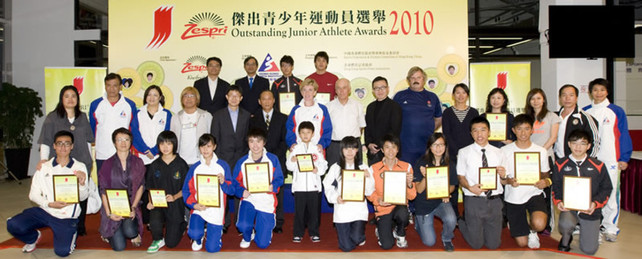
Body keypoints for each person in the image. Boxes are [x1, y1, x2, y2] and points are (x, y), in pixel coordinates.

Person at [7, 130, 89, 257]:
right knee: (13, 224)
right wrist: (49, 204)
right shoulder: (44, 167)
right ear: (54, 146)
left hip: (65, 216)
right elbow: (33, 195)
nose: (63, 147)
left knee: (62, 252)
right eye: (59, 143)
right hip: (45, 210)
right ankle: (32, 238)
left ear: (72, 146)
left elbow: (83, 197)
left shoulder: (79, 167)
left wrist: (82, 183)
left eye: (67, 144)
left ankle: (72, 231)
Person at [37, 85, 94, 236]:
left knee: (82, 192)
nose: (70, 99)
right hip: (61, 163)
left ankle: (80, 225)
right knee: (63, 193)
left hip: (82, 162)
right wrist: (43, 160)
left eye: (73, 96)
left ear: (78, 99)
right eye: (67, 96)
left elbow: (88, 141)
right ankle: (61, 223)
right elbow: (45, 141)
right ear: (61, 99)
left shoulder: (82, 117)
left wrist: (90, 161)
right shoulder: (52, 117)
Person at [582, 78, 632, 242]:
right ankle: (591, 225)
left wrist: (624, 157)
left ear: (607, 92)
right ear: (590, 92)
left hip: (610, 160)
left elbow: (623, 134)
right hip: (589, 161)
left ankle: (610, 227)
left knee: (610, 195)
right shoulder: (585, 111)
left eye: (602, 90)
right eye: (595, 90)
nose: (598, 93)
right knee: (589, 194)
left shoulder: (616, 111)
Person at [553, 129, 612, 255]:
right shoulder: (560, 164)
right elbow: (556, 187)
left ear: (589, 146)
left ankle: (588, 230)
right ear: (569, 144)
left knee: (589, 250)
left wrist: (595, 204)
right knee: (565, 224)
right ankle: (566, 237)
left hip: (590, 210)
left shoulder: (598, 165)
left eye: (583, 143)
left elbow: (607, 188)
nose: (578, 147)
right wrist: (558, 202)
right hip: (570, 209)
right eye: (574, 143)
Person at [456, 116, 508, 250]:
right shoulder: (464, 152)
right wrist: (469, 187)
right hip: (474, 200)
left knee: (493, 245)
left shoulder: (499, 152)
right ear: (471, 133)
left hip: (494, 201)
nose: (479, 134)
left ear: (489, 132)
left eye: (483, 130)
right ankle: (462, 221)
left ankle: (482, 226)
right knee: (476, 245)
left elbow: (504, 181)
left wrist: (503, 176)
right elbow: (460, 176)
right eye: (475, 131)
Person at [500, 114, 551, 249]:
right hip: (514, 196)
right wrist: (509, 181)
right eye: (519, 129)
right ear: (513, 130)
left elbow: (546, 174)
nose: (523, 133)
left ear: (532, 130)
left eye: (527, 129)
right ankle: (518, 225)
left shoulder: (541, 151)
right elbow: (501, 180)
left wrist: (545, 182)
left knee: (539, 224)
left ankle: (533, 231)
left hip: (534, 193)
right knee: (522, 243)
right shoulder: (504, 151)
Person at [232, 128, 285, 249]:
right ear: (248, 143)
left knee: (262, 244)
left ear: (264, 142)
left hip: (266, 201)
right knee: (243, 225)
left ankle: (264, 230)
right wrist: (241, 191)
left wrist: (273, 186)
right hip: (249, 199)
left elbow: (279, 179)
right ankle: (247, 235)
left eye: (258, 141)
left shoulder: (272, 159)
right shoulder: (242, 161)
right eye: (251, 141)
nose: (255, 145)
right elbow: (234, 183)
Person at [182, 134, 235, 253]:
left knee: (212, 249)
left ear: (214, 147)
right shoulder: (195, 167)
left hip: (216, 210)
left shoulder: (223, 166)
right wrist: (194, 205)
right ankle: (198, 239)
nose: (205, 150)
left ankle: (217, 233)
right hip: (199, 208)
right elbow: (186, 190)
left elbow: (232, 190)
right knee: (194, 233)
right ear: (199, 148)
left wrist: (223, 182)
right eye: (202, 146)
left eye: (208, 146)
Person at [323, 136, 375, 252]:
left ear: (357, 150)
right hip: (342, 210)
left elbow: (370, 191)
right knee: (346, 247)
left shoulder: (363, 167)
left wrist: (368, 177)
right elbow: (327, 185)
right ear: (342, 150)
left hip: (358, 210)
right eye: (347, 148)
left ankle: (359, 236)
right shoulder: (335, 168)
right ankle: (350, 236)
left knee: (356, 238)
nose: (350, 151)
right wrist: (336, 198)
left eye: (353, 148)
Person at [98, 128, 145, 251]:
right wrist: (109, 213)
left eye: (126, 139)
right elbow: (103, 190)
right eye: (119, 140)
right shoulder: (107, 164)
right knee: (119, 247)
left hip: (130, 206)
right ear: (114, 143)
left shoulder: (138, 162)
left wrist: (133, 207)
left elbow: (141, 186)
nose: (123, 143)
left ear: (131, 142)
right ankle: (110, 233)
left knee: (130, 232)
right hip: (113, 208)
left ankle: (131, 231)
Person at [211, 85, 251, 233]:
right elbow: (214, 137)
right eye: (231, 95)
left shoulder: (247, 115)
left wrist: (246, 157)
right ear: (227, 97)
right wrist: (218, 159)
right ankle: (224, 222)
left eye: (237, 95)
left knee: (240, 190)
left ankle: (240, 222)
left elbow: (248, 138)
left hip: (241, 158)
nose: (234, 98)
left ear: (241, 98)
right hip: (223, 158)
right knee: (224, 190)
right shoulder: (218, 115)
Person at [367, 134, 417, 249]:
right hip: (383, 209)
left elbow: (412, 196)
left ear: (398, 149)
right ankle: (381, 227)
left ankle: (400, 232)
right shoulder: (373, 168)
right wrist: (378, 200)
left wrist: (409, 184)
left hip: (400, 207)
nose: (390, 150)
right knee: (387, 245)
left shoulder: (406, 167)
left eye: (394, 147)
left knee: (403, 214)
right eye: (387, 147)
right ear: (382, 150)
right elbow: (369, 192)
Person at [249, 90, 288, 233]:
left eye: (269, 99)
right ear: (259, 101)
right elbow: (251, 140)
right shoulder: (253, 119)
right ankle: (258, 220)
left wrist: (272, 157)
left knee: (278, 192)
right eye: (263, 99)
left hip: (277, 160)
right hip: (258, 162)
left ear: (274, 101)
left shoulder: (283, 118)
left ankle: (278, 222)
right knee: (258, 192)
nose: (266, 101)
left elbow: (285, 141)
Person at [145, 131, 189, 253]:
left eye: (169, 144)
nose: (165, 147)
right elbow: (150, 187)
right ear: (158, 145)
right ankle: (158, 239)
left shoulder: (181, 164)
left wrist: (175, 197)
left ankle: (182, 224)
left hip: (175, 203)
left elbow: (187, 188)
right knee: (154, 221)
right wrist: (150, 201)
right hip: (158, 203)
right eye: (162, 143)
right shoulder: (154, 165)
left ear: (174, 145)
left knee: (171, 243)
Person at [412, 133, 458, 251]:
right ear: (430, 147)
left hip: (440, 202)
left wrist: (446, 192)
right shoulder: (421, 163)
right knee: (429, 242)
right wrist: (426, 176)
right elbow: (419, 189)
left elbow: (453, 185)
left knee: (451, 219)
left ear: (445, 147)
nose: (438, 148)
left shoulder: (450, 164)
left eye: (441, 145)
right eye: (435, 145)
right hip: (424, 204)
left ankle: (447, 238)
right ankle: (418, 221)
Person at [525, 88, 561, 233]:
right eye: (532, 98)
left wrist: (541, 152)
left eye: (538, 98)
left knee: (545, 190)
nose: (536, 101)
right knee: (529, 190)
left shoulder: (552, 116)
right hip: (528, 160)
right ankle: (531, 222)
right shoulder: (527, 117)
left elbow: (553, 138)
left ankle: (546, 225)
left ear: (544, 99)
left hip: (546, 157)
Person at [287, 121, 328, 243]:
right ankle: (298, 233)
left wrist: (318, 170)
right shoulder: (295, 149)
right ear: (299, 134)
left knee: (313, 212)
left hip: (313, 185)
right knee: (299, 212)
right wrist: (293, 161)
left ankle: (314, 232)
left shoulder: (316, 149)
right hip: (299, 186)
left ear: (313, 134)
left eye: (308, 133)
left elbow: (324, 165)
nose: (305, 135)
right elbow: (288, 166)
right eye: (303, 133)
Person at [441, 83, 478, 217]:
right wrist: (457, 153)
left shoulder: (474, 112)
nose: (461, 95)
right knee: (454, 185)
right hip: (452, 154)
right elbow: (447, 134)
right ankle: (454, 214)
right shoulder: (448, 112)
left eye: (464, 92)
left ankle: (469, 213)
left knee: (469, 183)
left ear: (467, 95)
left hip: (470, 155)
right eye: (457, 92)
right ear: (453, 95)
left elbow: (475, 133)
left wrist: (466, 153)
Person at [393, 66, 442, 165]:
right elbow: (392, 119)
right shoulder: (399, 96)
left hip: (427, 146)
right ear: (408, 80)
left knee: (425, 175)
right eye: (413, 78)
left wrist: (428, 128)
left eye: (418, 77)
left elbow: (438, 118)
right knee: (406, 176)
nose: (416, 80)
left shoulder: (432, 97)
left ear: (423, 80)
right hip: (405, 146)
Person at [89, 73, 137, 171]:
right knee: (103, 184)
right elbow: (92, 129)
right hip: (103, 153)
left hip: (124, 153)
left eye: (115, 85)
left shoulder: (129, 105)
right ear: (105, 86)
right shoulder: (96, 104)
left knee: (124, 184)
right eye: (108, 85)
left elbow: (133, 129)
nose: (111, 89)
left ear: (120, 87)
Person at [326, 78, 366, 166]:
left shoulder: (357, 105)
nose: (341, 91)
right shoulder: (328, 106)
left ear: (349, 90)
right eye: (338, 88)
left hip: (353, 146)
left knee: (354, 175)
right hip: (335, 146)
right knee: (333, 175)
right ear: (335, 90)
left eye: (344, 87)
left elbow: (361, 126)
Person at [285, 78, 333, 152]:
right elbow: (290, 129)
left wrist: (322, 144)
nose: (307, 93)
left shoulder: (322, 109)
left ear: (315, 92)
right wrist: (292, 143)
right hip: (299, 149)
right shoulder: (296, 110)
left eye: (310, 90)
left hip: (317, 149)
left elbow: (327, 130)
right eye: (304, 90)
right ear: (301, 92)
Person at [555, 84, 599, 160]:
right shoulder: (554, 117)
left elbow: (595, 142)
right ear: (560, 98)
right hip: (557, 161)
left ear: (576, 98)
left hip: (578, 162)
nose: (567, 98)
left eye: (571, 95)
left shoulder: (585, 118)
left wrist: (586, 161)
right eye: (564, 95)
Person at [170, 87, 213, 166]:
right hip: (181, 160)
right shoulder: (175, 118)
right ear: (182, 99)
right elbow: (172, 140)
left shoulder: (206, 116)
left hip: (200, 160)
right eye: (185, 96)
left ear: (197, 99)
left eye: (192, 95)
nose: (188, 98)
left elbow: (211, 138)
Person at [364, 76, 402, 165]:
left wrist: (380, 146)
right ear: (373, 90)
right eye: (377, 88)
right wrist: (369, 144)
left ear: (388, 89)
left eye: (383, 88)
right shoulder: (370, 107)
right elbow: (367, 128)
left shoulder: (395, 106)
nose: (380, 91)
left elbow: (395, 130)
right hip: (372, 152)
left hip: (389, 152)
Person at [131, 85, 172, 165]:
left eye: (155, 95)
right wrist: (145, 150)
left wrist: (154, 151)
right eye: (149, 95)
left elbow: (167, 134)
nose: (151, 98)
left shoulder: (166, 114)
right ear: (145, 97)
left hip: (160, 156)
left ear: (160, 97)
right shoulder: (138, 113)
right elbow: (135, 134)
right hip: (142, 156)